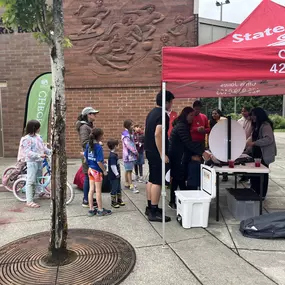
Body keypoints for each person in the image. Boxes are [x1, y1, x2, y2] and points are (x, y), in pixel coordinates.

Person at [168, 107, 211, 209]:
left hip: (179, 155)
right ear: (185, 115)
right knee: (178, 178)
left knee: (179, 178)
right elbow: (188, 143)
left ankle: (181, 199)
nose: (193, 118)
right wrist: (202, 152)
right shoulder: (181, 126)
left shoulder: (182, 125)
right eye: (191, 115)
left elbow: (187, 143)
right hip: (178, 156)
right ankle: (176, 200)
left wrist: (194, 154)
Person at [144, 90, 174, 222]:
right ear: (166, 102)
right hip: (157, 153)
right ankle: (154, 212)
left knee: (151, 179)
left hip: (150, 150)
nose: (172, 105)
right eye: (171, 102)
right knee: (158, 181)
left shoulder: (151, 113)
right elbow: (158, 134)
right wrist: (163, 154)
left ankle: (150, 207)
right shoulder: (163, 115)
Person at [246, 107, 276, 198]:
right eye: (251, 115)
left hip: (263, 154)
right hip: (256, 153)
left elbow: (268, 139)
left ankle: (261, 194)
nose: (252, 117)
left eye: (254, 115)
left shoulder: (265, 125)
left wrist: (254, 143)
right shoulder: (256, 125)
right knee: (254, 173)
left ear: (259, 115)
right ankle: (254, 190)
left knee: (262, 174)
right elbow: (252, 138)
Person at [21, 120, 51, 208]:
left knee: (38, 178)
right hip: (32, 162)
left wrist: (50, 152)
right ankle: (29, 201)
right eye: (38, 127)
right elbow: (27, 152)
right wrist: (39, 155)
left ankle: (40, 192)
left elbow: (43, 148)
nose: (39, 128)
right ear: (34, 128)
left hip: (39, 161)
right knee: (31, 181)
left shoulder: (39, 137)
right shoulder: (26, 139)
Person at [84, 128, 111, 217]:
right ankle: (100, 209)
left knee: (91, 190)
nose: (103, 137)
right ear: (99, 136)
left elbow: (86, 158)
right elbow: (99, 161)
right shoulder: (98, 147)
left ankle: (91, 209)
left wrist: (90, 165)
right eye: (102, 135)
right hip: (97, 172)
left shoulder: (88, 145)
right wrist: (104, 170)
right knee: (98, 191)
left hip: (90, 170)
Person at [76, 106, 99, 208]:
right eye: (93, 114)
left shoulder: (88, 126)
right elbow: (84, 142)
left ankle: (88, 197)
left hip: (91, 154)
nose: (95, 115)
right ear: (88, 115)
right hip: (88, 155)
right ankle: (86, 199)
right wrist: (97, 143)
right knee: (87, 176)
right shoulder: (84, 127)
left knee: (90, 176)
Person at [122, 119, 139, 193]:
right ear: (128, 126)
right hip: (128, 155)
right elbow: (129, 145)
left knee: (127, 169)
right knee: (129, 170)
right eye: (132, 125)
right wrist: (135, 152)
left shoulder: (129, 133)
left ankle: (126, 183)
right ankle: (131, 185)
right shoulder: (126, 134)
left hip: (129, 155)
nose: (133, 126)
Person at [107, 139, 125, 208]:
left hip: (117, 176)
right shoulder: (112, 156)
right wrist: (117, 174)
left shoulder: (114, 155)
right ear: (115, 146)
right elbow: (113, 166)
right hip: (114, 176)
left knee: (118, 188)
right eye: (118, 145)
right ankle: (113, 202)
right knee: (114, 188)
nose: (119, 146)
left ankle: (119, 200)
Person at [238, 106, 252, 182]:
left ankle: (248, 175)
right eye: (242, 111)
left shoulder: (252, 121)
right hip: (241, 143)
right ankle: (244, 175)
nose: (243, 113)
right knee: (242, 160)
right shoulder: (239, 121)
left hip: (250, 143)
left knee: (249, 160)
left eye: (245, 111)